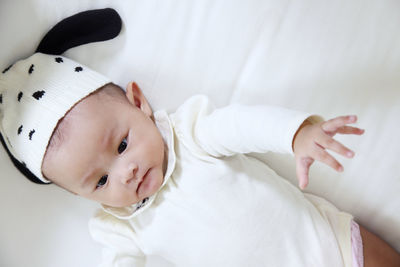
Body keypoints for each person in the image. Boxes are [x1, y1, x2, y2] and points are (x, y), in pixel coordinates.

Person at [1, 53, 399, 267]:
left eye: (122, 145)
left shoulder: (190, 135)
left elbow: (243, 124)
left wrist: (295, 134)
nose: (126, 173)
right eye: (100, 182)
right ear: (81, 195)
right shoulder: (119, 230)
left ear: (139, 103)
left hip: (335, 249)